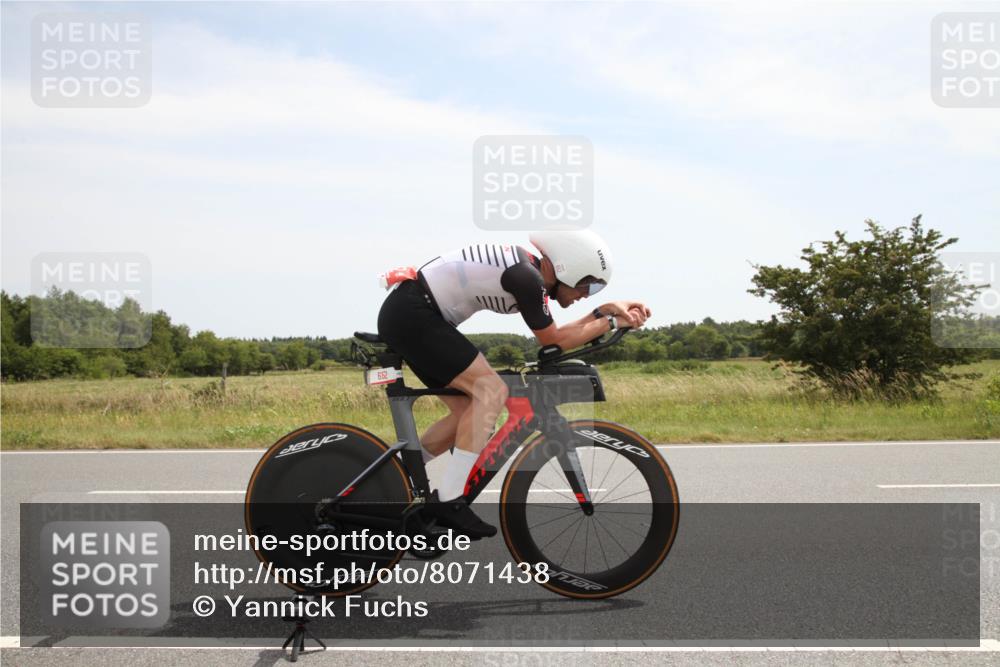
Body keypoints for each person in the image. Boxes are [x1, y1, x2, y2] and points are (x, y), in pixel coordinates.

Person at [376, 230, 650, 537]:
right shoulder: (526, 278)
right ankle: (449, 501)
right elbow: (554, 339)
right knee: (492, 391)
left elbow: (555, 335)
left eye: (595, 290)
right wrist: (612, 322)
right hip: (415, 314)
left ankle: (388, 478)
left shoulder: (529, 274)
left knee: (468, 411)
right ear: (567, 267)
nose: (587, 294)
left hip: (415, 314)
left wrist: (606, 311)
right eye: (588, 284)